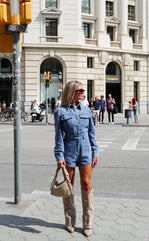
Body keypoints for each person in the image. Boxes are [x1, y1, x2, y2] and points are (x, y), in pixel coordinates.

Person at [54, 81, 99, 237]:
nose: (83, 91)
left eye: (83, 89)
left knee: (86, 184)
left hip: (85, 150)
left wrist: (95, 151)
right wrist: (59, 156)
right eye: (80, 90)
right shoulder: (60, 112)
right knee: (69, 186)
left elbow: (92, 133)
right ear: (72, 92)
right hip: (69, 151)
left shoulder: (87, 110)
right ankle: (70, 221)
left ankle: (88, 222)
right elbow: (59, 138)